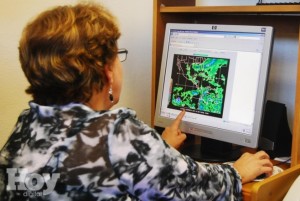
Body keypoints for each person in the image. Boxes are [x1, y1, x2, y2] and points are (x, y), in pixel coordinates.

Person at [0, 2, 273, 201]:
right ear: (106, 71)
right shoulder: (116, 133)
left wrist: (158, 149)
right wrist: (236, 172)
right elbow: (194, 188)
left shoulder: (23, 130)